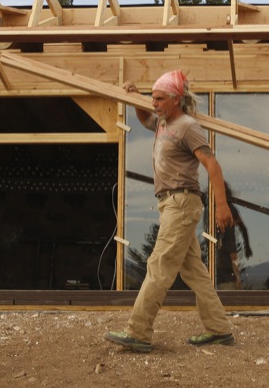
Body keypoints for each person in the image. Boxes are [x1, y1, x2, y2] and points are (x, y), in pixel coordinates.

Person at [105, 70, 235, 353]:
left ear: (176, 100)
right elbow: (144, 118)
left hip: (182, 203)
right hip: (170, 203)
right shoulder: (163, 122)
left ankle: (138, 332)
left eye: (159, 98)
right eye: (152, 98)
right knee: (194, 272)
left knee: (159, 264)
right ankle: (219, 329)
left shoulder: (187, 127)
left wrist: (222, 205)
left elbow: (212, 165)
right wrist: (135, 97)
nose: (154, 103)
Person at [216, 182, 252, 290]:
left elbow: (241, 228)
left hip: (225, 271)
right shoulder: (210, 209)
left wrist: (247, 247)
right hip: (218, 268)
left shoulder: (229, 210)